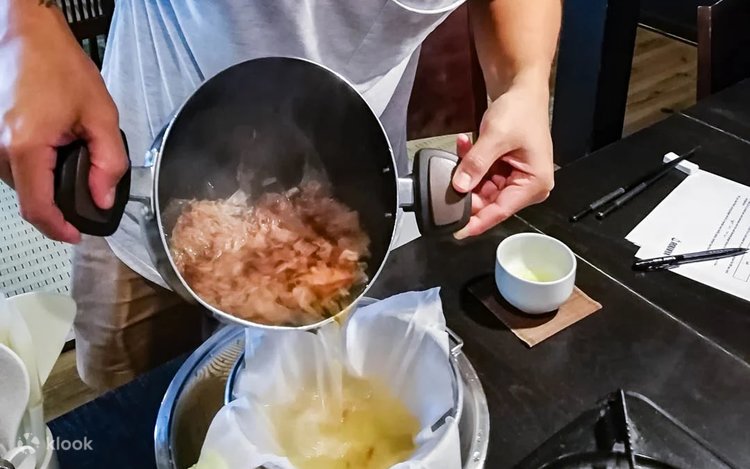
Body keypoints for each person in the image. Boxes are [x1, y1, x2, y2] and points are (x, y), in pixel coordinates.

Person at [0, 0, 560, 390]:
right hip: (133, 176)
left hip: (357, 198)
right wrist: (22, 26)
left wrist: (525, 82)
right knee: (129, 410)